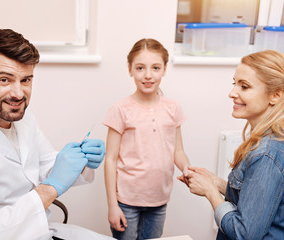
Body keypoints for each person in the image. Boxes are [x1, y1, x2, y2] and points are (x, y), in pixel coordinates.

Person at [0, 29, 113, 240]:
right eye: (5, 80)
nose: (18, 94)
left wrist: (80, 162)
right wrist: (50, 188)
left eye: (25, 80)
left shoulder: (19, 117)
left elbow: (46, 166)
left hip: (36, 232)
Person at [181, 50, 284, 239]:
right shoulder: (267, 143)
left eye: (244, 87)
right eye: (234, 84)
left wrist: (210, 193)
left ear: (275, 95)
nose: (232, 93)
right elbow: (259, 201)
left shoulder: (266, 155)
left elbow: (244, 233)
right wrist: (218, 183)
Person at [102, 38, 190, 240]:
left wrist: (186, 168)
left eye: (156, 68)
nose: (148, 75)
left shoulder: (173, 108)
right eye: (140, 68)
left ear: (165, 69)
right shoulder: (120, 109)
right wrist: (112, 206)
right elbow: (111, 159)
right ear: (130, 69)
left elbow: (177, 151)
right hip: (126, 201)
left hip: (159, 201)